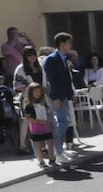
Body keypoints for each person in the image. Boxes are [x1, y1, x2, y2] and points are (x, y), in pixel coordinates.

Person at [42, 33, 75, 161]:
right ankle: (58, 150)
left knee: (64, 122)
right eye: (69, 43)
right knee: (61, 122)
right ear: (62, 44)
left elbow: (66, 78)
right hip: (57, 96)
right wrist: (56, 97)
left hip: (64, 95)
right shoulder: (52, 59)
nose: (70, 45)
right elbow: (53, 80)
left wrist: (70, 94)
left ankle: (59, 149)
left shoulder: (63, 57)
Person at [22, 83, 58, 170]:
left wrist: (48, 120)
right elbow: (28, 118)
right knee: (38, 145)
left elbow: (47, 111)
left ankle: (52, 158)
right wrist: (38, 121)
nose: (38, 93)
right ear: (31, 93)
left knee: (50, 142)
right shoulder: (29, 105)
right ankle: (41, 161)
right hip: (36, 127)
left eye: (39, 91)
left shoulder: (43, 102)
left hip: (46, 126)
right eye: (36, 91)